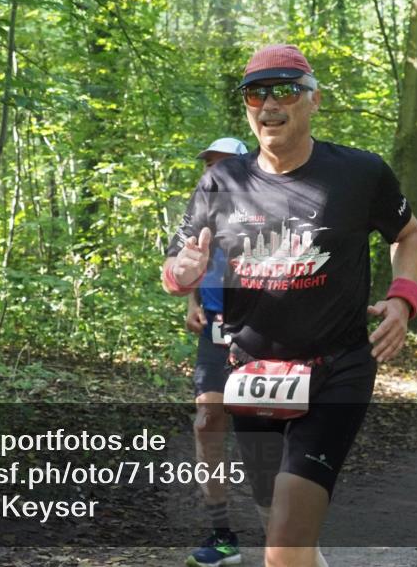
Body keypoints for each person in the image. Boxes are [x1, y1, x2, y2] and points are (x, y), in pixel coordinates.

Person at [162, 45, 417, 567]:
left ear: (313, 100)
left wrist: (403, 298)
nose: (269, 105)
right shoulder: (222, 181)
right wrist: (182, 276)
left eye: (285, 90)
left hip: (336, 371)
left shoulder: (360, 174)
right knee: (279, 526)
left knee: (282, 547)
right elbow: (176, 267)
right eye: (255, 94)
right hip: (251, 374)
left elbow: (409, 234)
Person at [185, 137, 249, 567]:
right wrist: (191, 300)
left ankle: (291, 526)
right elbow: (188, 261)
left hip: (264, 333)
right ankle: (221, 532)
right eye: (210, 165)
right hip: (213, 331)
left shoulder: (267, 208)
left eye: (223, 164)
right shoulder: (201, 210)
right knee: (208, 420)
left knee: (267, 432)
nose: (214, 172)